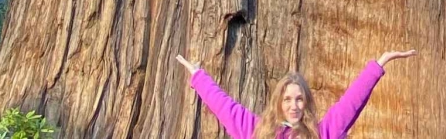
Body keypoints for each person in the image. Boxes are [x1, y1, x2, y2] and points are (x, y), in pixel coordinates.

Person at [174, 49, 416, 139]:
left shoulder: (321, 134)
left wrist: (378, 65)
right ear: (279, 103)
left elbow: (350, 103)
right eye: (288, 99)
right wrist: (198, 77)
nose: (294, 106)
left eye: (299, 99)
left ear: (306, 103)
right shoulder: (257, 132)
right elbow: (224, 106)